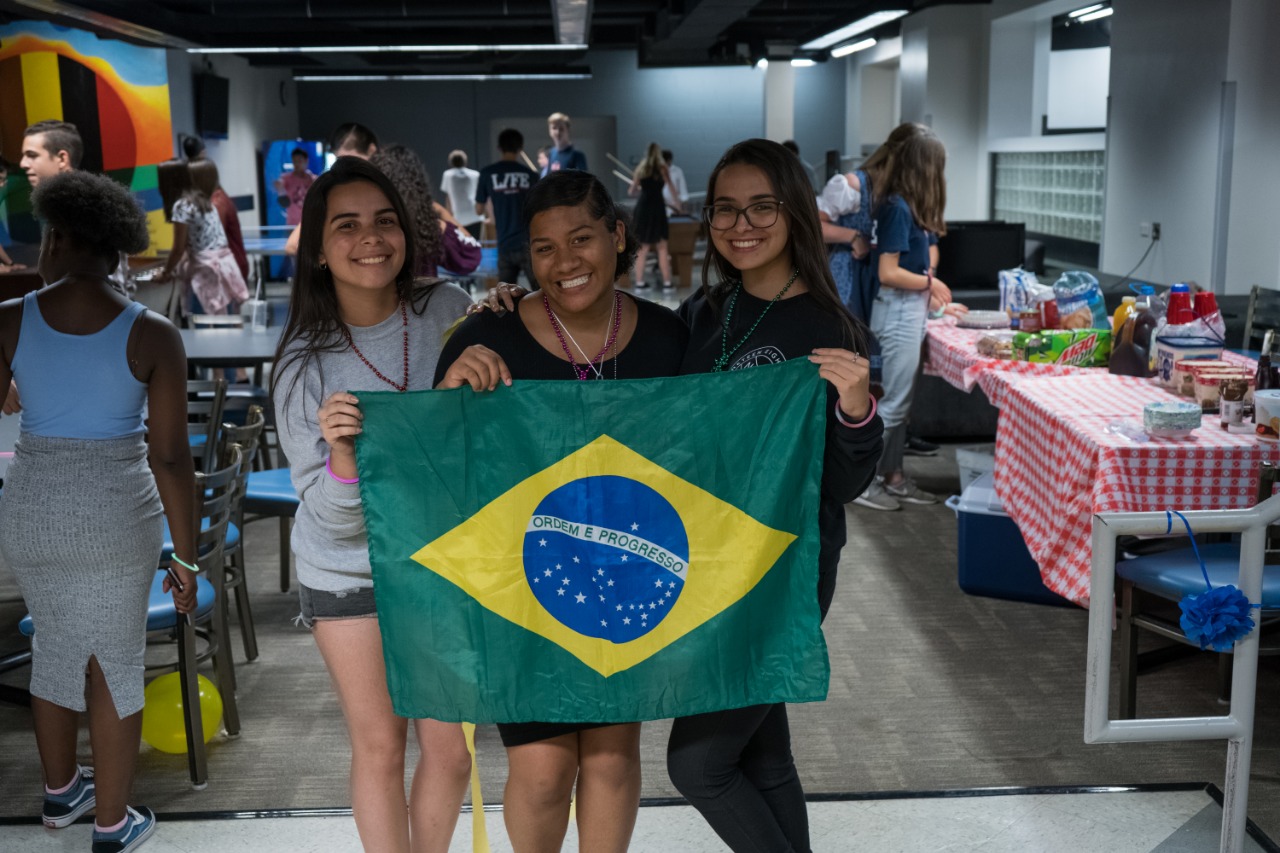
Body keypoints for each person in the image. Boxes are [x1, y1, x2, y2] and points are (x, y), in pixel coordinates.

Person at [436, 170, 688, 853]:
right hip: (525, 586)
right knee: (545, 767)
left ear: (617, 235)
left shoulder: (672, 339)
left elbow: (712, 460)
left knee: (609, 757)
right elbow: (438, 467)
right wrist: (449, 394)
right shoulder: (487, 339)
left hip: (635, 578)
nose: (564, 260)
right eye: (543, 247)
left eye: (582, 238)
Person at [667, 138, 883, 853]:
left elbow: (845, 483)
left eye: (762, 205)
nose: (741, 223)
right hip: (707, 566)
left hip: (782, 574)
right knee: (759, 755)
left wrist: (856, 410)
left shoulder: (830, 328)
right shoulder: (706, 311)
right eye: (725, 208)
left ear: (794, 211)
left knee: (697, 762)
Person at [272, 157, 474, 853]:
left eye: (385, 221)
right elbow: (329, 517)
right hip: (348, 568)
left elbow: (487, 434)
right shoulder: (304, 363)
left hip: (441, 560)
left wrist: (503, 340)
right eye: (347, 225)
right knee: (382, 747)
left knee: (450, 753)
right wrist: (344, 458)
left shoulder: (450, 309)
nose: (371, 238)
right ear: (320, 249)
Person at [0, 170, 197, 853]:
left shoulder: (7, 319)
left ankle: (60, 795)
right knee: (114, 658)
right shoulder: (153, 332)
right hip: (118, 513)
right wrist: (186, 552)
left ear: (54, 237)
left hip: (33, 510)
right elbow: (171, 457)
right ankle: (113, 824)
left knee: (52, 645)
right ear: (119, 249)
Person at [852, 130, 952, 512]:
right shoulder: (896, 207)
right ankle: (862, 481)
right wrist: (931, 282)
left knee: (900, 404)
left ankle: (892, 476)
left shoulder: (908, 206)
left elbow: (920, 261)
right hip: (896, 310)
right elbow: (888, 271)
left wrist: (932, 291)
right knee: (893, 405)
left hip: (907, 308)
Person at [153, 159, 248, 322]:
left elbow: (178, 248)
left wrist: (165, 273)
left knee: (203, 325)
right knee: (227, 322)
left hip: (204, 272)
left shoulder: (181, 206)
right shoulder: (203, 200)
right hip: (225, 267)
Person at [370, 144, 481, 279]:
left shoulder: (365, 228)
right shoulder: (428, 228)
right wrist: (440, 210)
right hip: (420, 299)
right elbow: (470, 256)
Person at [285, 123, 381, 258]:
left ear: (372, 151)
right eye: (341, 162)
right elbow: (293, 245)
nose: (348, 171)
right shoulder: (332, 193)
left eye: (354, 163)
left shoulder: (385, 189)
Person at [475, 128, 539, 288]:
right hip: (528, 243)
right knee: (542, 294)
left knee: (506, 299)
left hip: (504, 244)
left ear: (499, 148)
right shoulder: (531, 175)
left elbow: (478, 209)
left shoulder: (487, 173)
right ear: (520, 148)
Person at [628, 142, 683, 290]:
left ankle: (639, 283)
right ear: (658, 153)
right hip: (657, 207)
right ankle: (667, 283)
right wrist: (678, 205)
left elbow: (631, 192)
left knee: (643, 248)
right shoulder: (662, 167)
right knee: (662, 247)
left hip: (643, 207)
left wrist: (641, 189)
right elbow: (671, 187)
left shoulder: (641, 168)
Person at [189, 158, 249, 284]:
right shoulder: (214, 199)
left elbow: (212, 242)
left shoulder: (217, 202)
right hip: (225, 267)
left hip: (227, 269)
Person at [440, 149, 484, 240]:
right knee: (475, 243)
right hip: (475, 215)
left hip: (458, 217)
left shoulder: (448, 175)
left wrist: (449, 216)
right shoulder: (475, 174)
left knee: (461, 245)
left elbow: (448, 198)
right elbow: (480, 195)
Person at [274, 148, 316, 227]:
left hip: (310, 223)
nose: (297, 164)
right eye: (294, 161)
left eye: (299, 161)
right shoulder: (286, 178)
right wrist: (280, 188)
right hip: (292, 224)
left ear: (306, 161)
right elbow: (281, 192)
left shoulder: (313, 179)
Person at [661, 149, 689, 216]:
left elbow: (683, 189)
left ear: (669, 160)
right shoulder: (657, 172)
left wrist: (682, 206)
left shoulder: (677, 171)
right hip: (661, 205)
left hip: (674, 206)